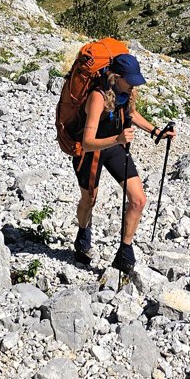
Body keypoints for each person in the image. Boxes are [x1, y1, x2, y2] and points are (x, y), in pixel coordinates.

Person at [72, 52, 175, 274]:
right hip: (91, 153)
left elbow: (133, 114)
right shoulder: (98, 97)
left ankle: (124, 253)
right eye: (130, 81)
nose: (133, 85)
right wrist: (117, 139)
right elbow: (87, 142)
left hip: (114, 149)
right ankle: (83, 233)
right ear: (115, 76)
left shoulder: (125, 92)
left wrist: (156, 132)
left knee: (138, 200)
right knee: (89, 200)